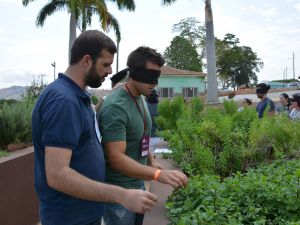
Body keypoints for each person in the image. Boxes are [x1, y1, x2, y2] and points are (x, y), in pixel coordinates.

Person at [31, 30, 157, 225]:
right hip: (69, 217)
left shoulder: (77, 96)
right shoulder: (63, 101)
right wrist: (121, 195)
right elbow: (57, 174)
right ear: (87, 61)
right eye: (105, 65)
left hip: (84, 213)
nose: (109, 72)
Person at [99, 46, 188, 225]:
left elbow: (142, 136)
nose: (154, 83)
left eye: (157, 77)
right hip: (120, 194)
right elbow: (115, 158)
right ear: (134, 73)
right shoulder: (117, 107)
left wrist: (151, 161)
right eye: (150, 77)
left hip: (137, 184)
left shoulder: (139, 96)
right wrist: (156, 174)